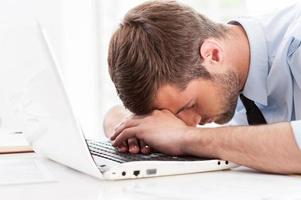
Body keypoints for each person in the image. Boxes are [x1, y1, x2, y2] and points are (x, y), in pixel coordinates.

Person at [104, 0, 301, 174]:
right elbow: (114, 114)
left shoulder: (296, 41)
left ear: (212, 54)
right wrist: (130, 127)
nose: (191, 122)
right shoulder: (231, 77)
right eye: (174, 117)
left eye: (189, 105)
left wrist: (184, 137)